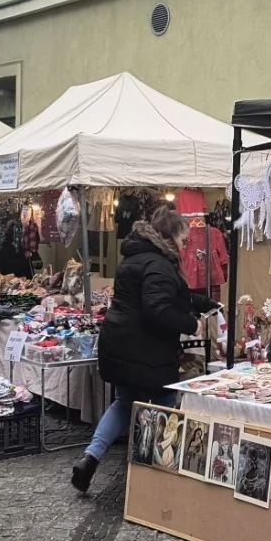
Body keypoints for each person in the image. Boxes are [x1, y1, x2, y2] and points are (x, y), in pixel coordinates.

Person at [72, 206, 218, 492]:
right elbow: (157, 309)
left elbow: (168, 294)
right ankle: (156, 472)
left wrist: (203, 303)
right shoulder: (160, 264)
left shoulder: (136, 257)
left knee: (124, 402)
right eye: (184, 239)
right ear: (171, 235)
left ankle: (90, 457)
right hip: (145, 351)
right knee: (165, 399)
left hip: (120, 344)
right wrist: (192, 325)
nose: (185, 245)